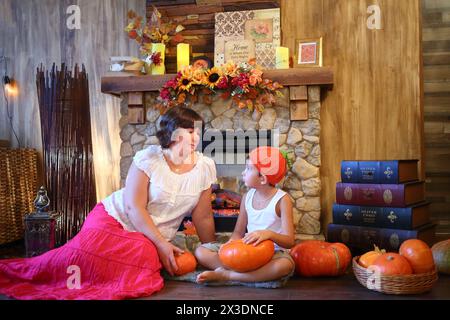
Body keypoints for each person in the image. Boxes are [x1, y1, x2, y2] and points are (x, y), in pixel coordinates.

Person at [0, 106, 217, 300]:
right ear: (172, 133)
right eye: (190, 131)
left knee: (144, 256)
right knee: (79, 257)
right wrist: (161, 243)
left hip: (147, 237)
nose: (196, 137)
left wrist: (213, 250)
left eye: (198, 131)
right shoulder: (149, 158)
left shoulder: (205, 167)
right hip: (115, 218)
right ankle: (31, 271)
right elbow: (134, 207)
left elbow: (203, 216)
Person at [195, 146, 296, 284]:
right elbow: (238, 233)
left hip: (273, 254)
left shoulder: (282, 200)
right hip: (248, 250)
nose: (243, 172)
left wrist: (269, 234)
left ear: (262, 178)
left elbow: (289, 241)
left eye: (248, 168)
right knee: (201, 251)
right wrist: (229, 245)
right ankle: (252, 275)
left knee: (285, 266)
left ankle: (228, 276)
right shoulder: (247, 197)